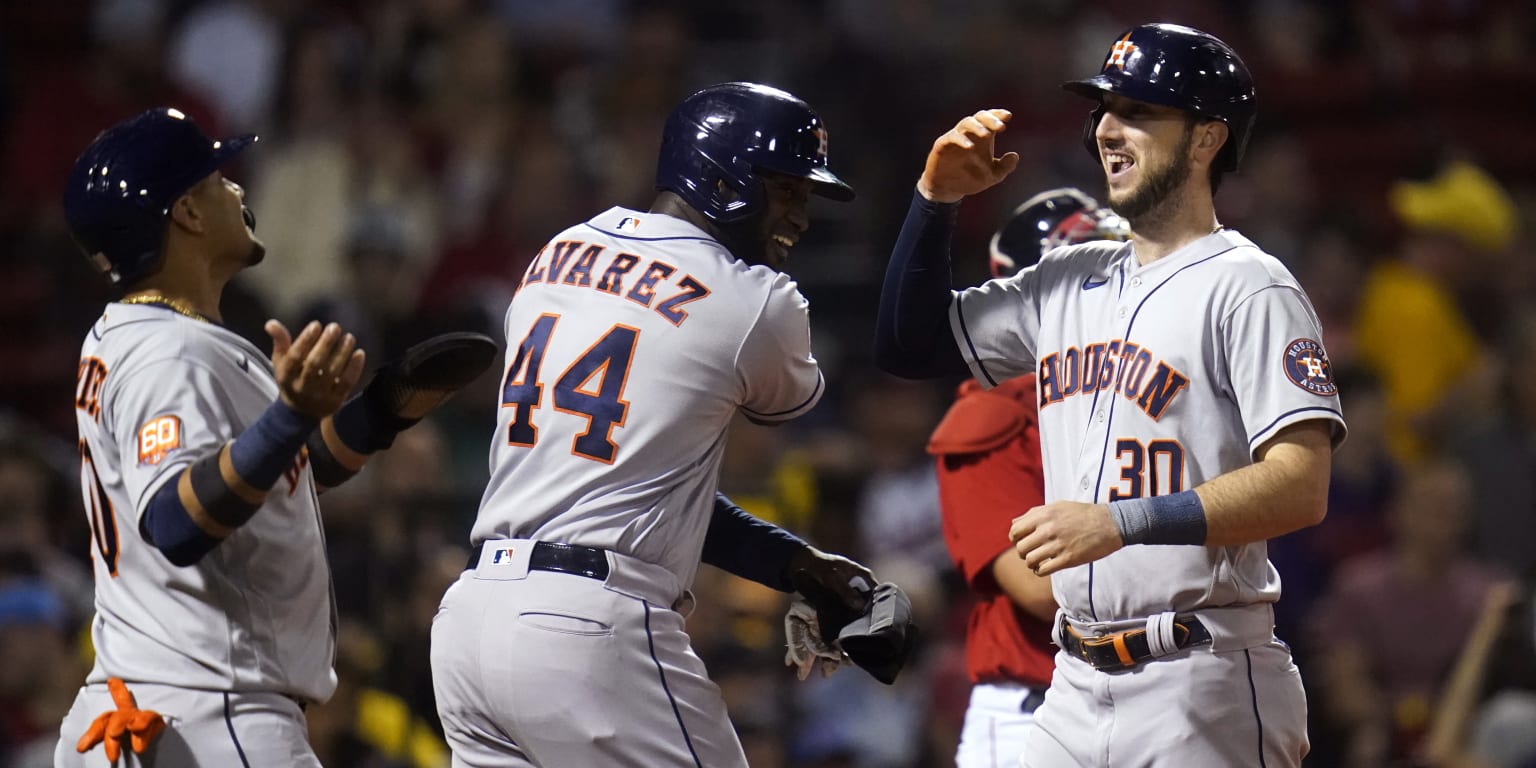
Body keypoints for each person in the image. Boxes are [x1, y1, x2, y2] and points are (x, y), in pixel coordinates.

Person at [874, 23, 1347, 767]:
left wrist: (1121, 522)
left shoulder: (1250, 285)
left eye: (1138, 112)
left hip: (1200, 676)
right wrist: (935, 200)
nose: (1107, 130)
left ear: (1206, 139)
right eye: (1103, 109)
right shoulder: (1066, 278)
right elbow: (909, 345)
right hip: (1071, 686)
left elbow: (1301, 485)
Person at [430, 82, 879, 767]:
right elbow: (771, 406)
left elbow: (646, 484)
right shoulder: (756, 301)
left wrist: (795, 564)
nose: (802, 216)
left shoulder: (558, 251)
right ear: (725, 178)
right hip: (589, 628)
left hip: (470, 618)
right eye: (788, 190)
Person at [55, 108, 493, 766]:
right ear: (188, 215)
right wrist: (289, 416)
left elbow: (276, 480)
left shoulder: (147, 336)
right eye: (215, 179)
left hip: (158, 702)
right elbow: (176, 522)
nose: (235, 189)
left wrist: (378, 411)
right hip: (208, 714)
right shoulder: (168, 355)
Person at [927, 188, 1129, 767]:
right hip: (1037, 711)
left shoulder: (1149, 392)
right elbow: (1040, 588)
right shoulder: (993, 414)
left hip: (1150, 702)